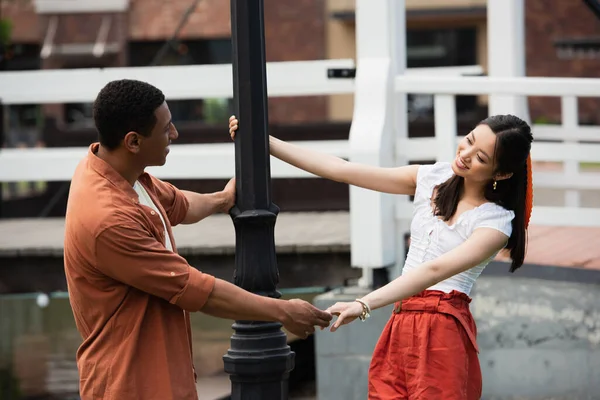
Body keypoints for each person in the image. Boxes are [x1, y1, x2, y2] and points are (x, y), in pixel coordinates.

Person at [228, 113, 533, 399]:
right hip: (401, 319)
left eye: (480, 157)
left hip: (442, 329)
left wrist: (363, 303)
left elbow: (433, 270)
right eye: (468, 139)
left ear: (501, 173)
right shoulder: (433, 178)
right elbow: (341, 170)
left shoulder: (494, 223)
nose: (465, 154)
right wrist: (264, 142)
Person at [63, 79, 332, 400]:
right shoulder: (107, 219)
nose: (174, 134)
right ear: (133, 141)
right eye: (166, 129)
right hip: (129, 382)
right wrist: (283, 311)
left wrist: (222, 199)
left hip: (160, 372)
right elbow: (197, 291)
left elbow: (179, 204)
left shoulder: (116, 170)